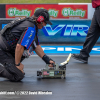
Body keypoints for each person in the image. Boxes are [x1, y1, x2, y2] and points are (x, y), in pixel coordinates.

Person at [0, 9, 55, 82]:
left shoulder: (31, 24)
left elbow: (36, 46)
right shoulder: (30, 27)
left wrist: (47, 60)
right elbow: (19, 46)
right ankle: (12, 66)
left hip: (5, 48)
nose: (45, 25)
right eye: (45, 22)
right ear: (40, 20)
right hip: (2, 50)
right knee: (18, 75)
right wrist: (17, 64)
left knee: (29, 48)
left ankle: (10, 66)